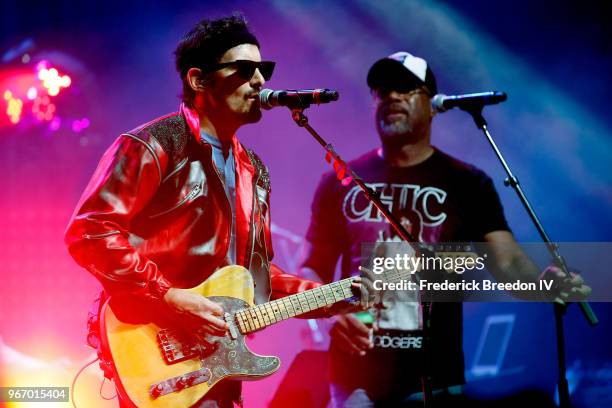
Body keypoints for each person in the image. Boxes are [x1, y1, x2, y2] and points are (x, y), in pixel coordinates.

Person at [65, 15, 370, 408]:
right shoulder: (153, 145)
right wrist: (168, 294)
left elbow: (255, 278)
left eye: (264, 69)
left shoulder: (254, 171)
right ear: (198, 80)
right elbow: (90, 232)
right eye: (244, 70)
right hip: (157, 351)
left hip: (218, 361)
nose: (260, 81)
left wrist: (334, 297)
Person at [300, 51, 590, 407]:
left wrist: (544, 285)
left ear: (433, 103)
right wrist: (330, 313)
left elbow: (509, 263)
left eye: (406, 88)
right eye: (383, 89)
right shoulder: (340, 181)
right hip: (355, 379)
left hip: (437, 377)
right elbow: (311, 266)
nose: (392, 97)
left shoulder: (468, 183)